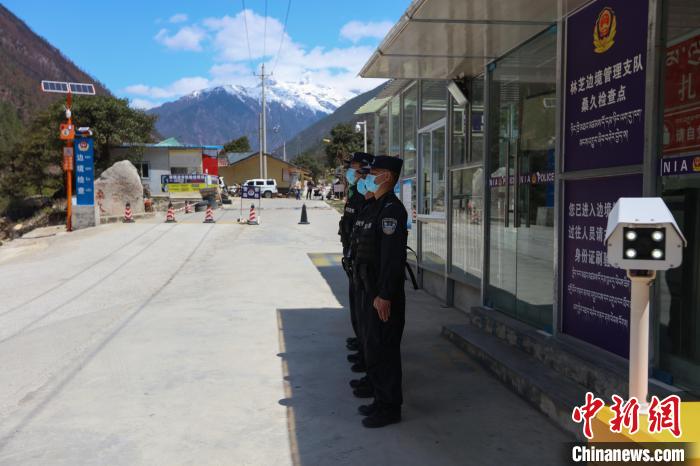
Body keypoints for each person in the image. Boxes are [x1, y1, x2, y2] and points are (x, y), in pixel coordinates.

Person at [351, 155, 407, 428]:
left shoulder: (392, 211)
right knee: (373, 346)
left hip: (383, 294)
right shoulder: (375, 206)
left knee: (385, 350)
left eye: (375, 172)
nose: (369, 176)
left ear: (388, 176)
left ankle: (389, 407)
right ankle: (379, 397)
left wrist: (384, 295)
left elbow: (392, 259)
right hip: (369, 289)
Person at [339, 153, 374, 378]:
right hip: (354, 259)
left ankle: (366, 352)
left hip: (365, 265)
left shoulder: (370, 200)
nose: (351, 173)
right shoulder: (356, 193)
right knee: (357, 307)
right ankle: (361, 344)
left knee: (366, 313)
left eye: (355, 169)